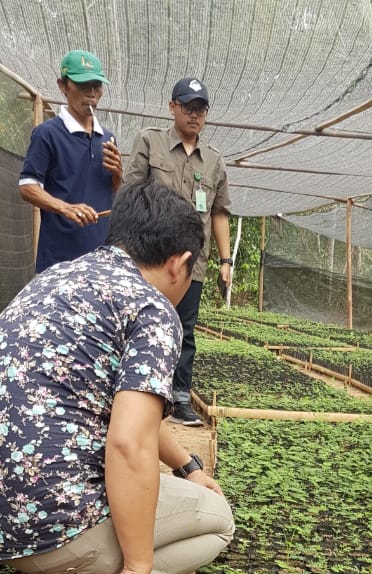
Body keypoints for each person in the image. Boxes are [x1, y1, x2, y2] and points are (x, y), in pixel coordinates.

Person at [0, 181, 235, 574]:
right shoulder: (153, 310)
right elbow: (128, 444)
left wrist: (188, 468)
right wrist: (136, 571)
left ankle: (78, 565)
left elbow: (132, 411)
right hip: (42, 527)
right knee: (217, 520)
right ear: (179, 264)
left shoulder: (60, 276)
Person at [124, 77, 232, 426]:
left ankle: (179, 397)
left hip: (192, 263)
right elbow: (130, 193)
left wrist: (226, 260)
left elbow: (219, 212)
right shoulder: (150, 142)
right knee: (138, 321)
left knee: (184, 329)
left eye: (201, 110)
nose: (194, 116)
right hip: (149, 257)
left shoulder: (214, 161)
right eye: (188, 108)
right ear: (172, 107)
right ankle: (130, 392)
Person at [19, 50, 123, 273]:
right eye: (83, 85)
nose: (92, 94)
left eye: (97, 86)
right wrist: (65, 208)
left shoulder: (107, 138)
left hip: (101, 261)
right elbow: (27, 187)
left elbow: (114, 192)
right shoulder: (47, 134)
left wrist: (117, 175)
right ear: (63, 86)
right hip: (59, 261)